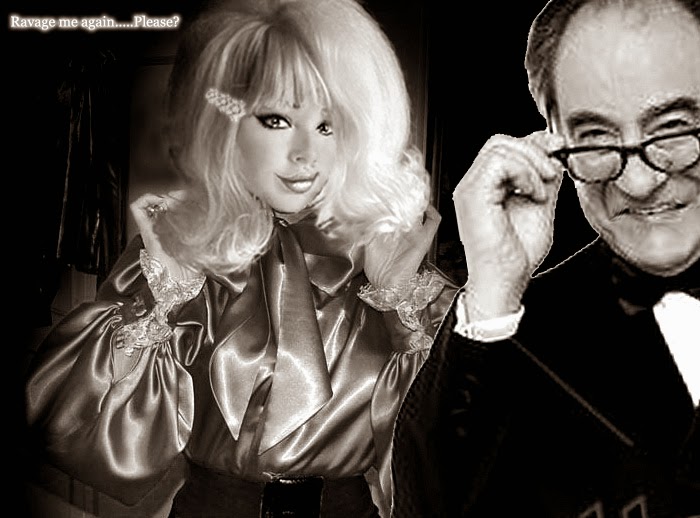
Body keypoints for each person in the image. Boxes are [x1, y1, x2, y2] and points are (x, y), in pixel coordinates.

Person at [24, 0, 458, 516]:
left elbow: (446, 449)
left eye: (327, 125)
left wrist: (400, 300)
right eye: (276, 120)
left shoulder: (391, 260)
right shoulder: (183, 250)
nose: (304, 154)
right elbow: (80, 424)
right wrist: (162, 301)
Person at [391, 0, 700, 516]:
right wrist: (492, 293)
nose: (639, 182)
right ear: (553, 144)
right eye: (595, 138)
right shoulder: (518, 333)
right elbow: (431, 503)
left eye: (672, 128)